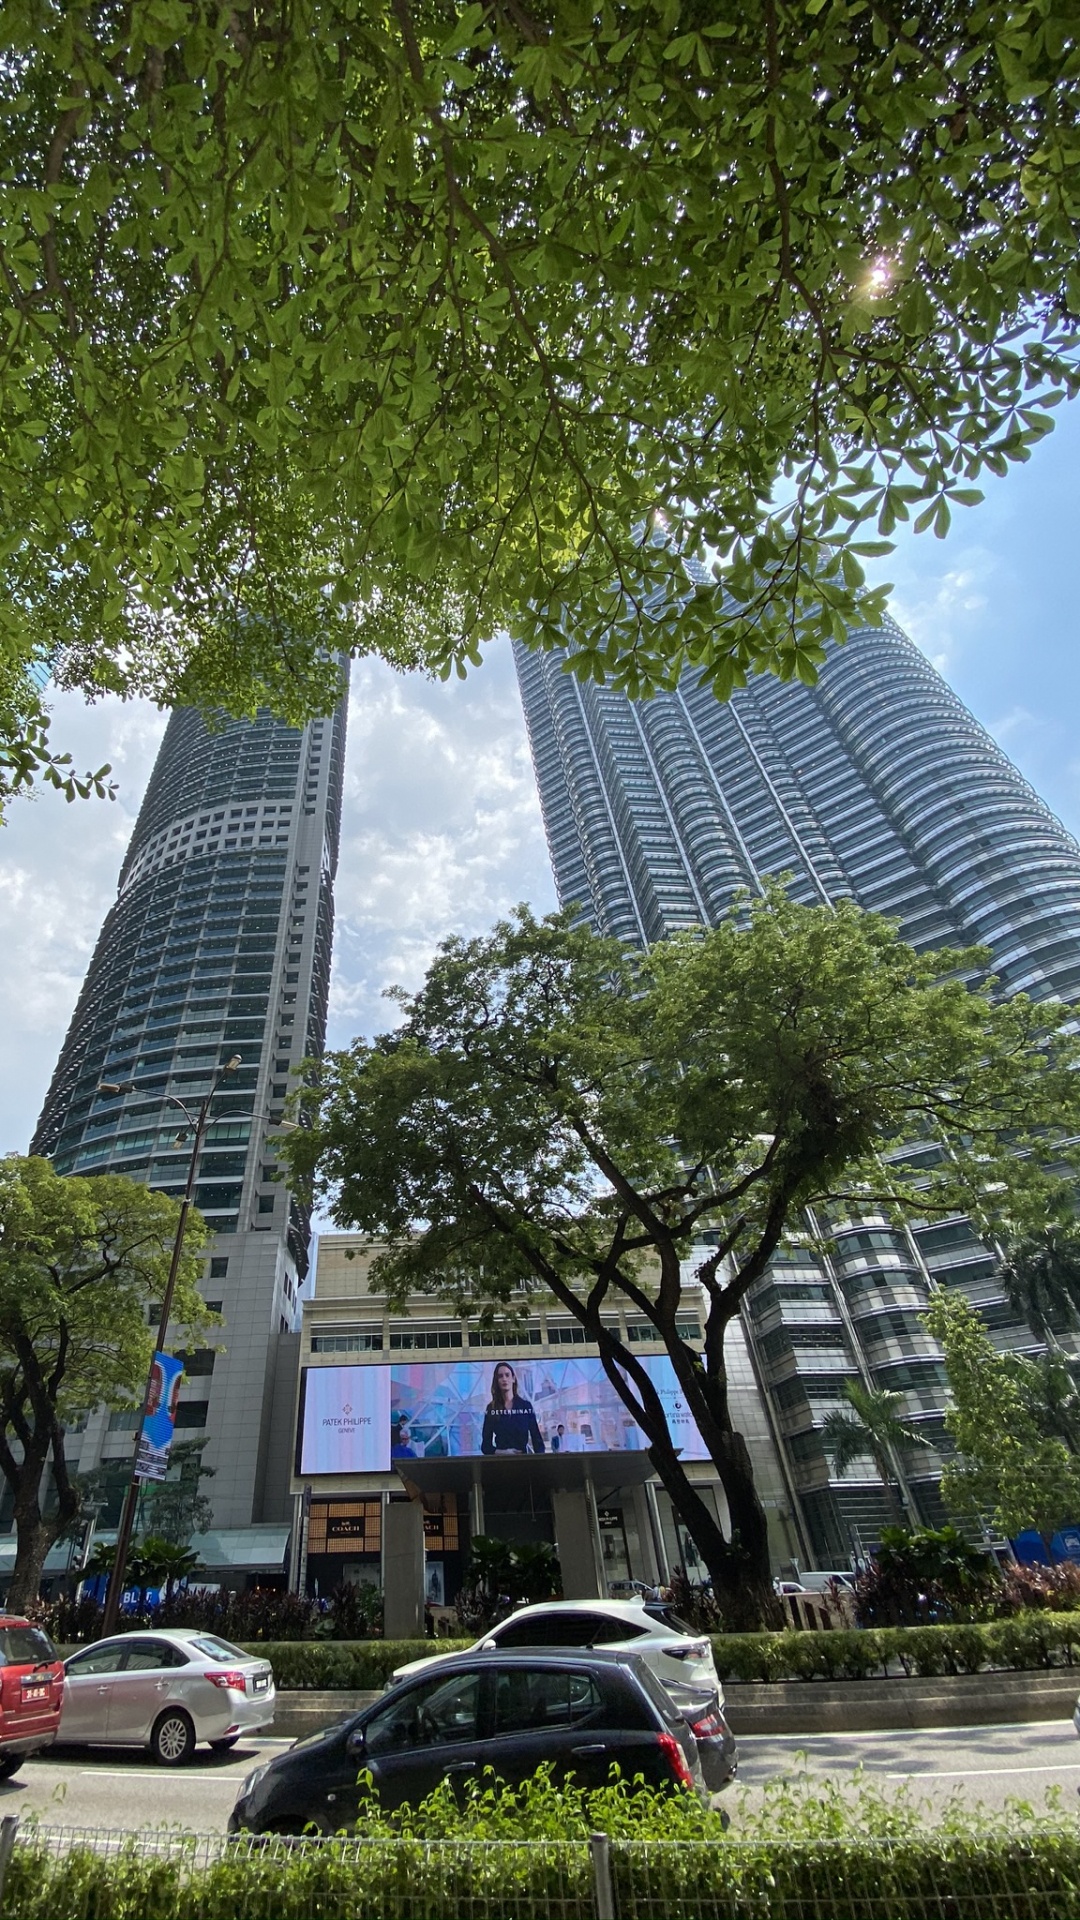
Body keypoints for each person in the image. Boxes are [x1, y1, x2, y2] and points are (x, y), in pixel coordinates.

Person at [480, 1362, 546, 1455]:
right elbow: (485, 1446)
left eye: (507, 1375)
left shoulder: (525, 1406)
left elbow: (537, 1440)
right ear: (496, 1381)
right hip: (500, 1463)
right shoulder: (491, 1408)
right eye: (500, 1376)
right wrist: (504, 1452)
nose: (504, 1379)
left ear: (513, 1379)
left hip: (524, 1463)